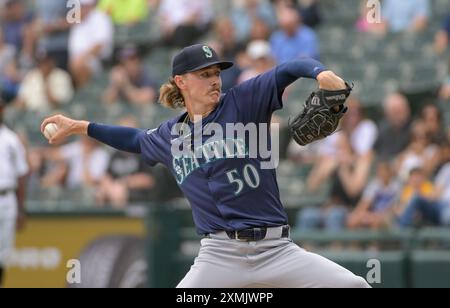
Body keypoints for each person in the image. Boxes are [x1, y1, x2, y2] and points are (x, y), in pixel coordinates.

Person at [41, 44, 370, 288]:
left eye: (216, 73)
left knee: (356, 286)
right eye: (205, 74)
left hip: (276, 250)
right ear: (181, 81)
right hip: (219, 255)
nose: (215, 80)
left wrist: (320, 73)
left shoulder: (243, 102)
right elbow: (135, 139)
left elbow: (290, 67)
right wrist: (82, 126)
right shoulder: (170, 136)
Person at [0, 98, 28, 286]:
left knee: (2, 253)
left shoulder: (11, 138)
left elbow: (21, 175)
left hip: (7, 197)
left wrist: (20, 208)